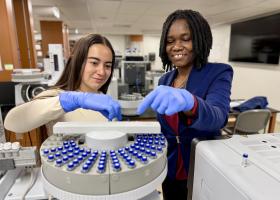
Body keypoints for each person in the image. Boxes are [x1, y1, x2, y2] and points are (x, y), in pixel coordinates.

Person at [137, 10, 233, 200]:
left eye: (185, 39)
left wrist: (192, 103)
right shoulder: (165, 80)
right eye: (170, 41)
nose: (176, 46)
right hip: (170, 166)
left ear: (199, 40)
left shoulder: (218, 72)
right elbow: (165, 127)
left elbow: (218, 116)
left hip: (201, 165)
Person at [4, 34, 122, 135]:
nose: (101, 72)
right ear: (78, 62)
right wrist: (73, 100)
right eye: (94, 63)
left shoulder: (104, 98)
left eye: (107, 65)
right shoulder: (57, 97)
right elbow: (11, 123)